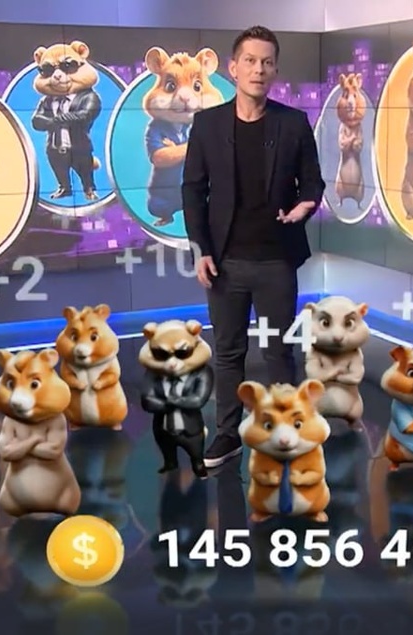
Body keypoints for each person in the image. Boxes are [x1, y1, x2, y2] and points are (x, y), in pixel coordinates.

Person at [182, 25, 324, 469]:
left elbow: (313, 182)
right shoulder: (207, 124)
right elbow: (193, 190)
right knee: (228, 352)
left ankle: (286, 431)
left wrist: (305, 205)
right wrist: (201, 249)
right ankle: (227, 434)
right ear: (233, 67)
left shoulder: (293, 123)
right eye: (250, 61)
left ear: (275, 70)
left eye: (266, 62)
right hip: (224, 261)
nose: (258, 69)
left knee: (279, 351)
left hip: (276, 259)